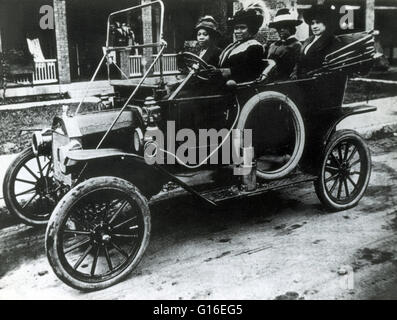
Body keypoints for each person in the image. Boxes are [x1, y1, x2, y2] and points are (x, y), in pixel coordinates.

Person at [292, 4, 341, 79]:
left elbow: (334, 65)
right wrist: (295, 72)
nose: (314, 26)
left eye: (318, 22)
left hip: (319, 81)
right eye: (312, 23)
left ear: (325, 23)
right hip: (300, 79)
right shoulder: (308, 40)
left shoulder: (332, 40)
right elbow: (299, 59)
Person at [218, 8, 265, 83]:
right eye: (236, 28)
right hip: (224, 81)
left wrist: (224, 71)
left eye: (242, 28)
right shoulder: (233, 45)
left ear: (251, 29)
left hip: (239, 85)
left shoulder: (255, 46)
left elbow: (250, 70)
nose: (238, 31)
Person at [266, 8, 302, 80]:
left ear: (291, 28)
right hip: (270, 79)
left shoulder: (296, 45)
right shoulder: (273, 45)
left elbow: (297, 66)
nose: (281, 30)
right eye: (278, 27)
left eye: (285, 27)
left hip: (285, 81)